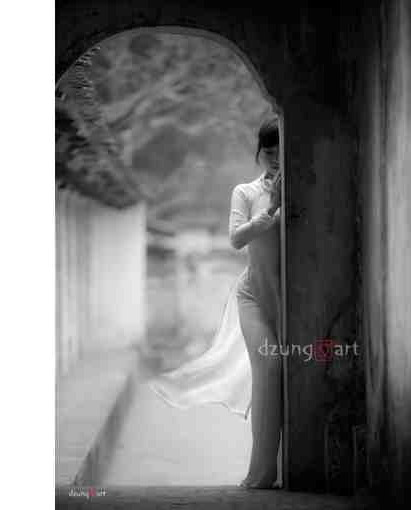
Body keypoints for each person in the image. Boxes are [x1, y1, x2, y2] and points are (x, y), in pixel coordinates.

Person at [148, 118, 283, 489]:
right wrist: (270, 211)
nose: (274, 158)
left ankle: (289, 465)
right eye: (268, 152)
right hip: (254, 295)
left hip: (292, 299)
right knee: (270, 367)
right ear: (259, 154)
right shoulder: (246, 192)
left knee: (297, 372)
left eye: (281, 151)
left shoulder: (303, 187)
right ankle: (261, 473)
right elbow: (236, 239)